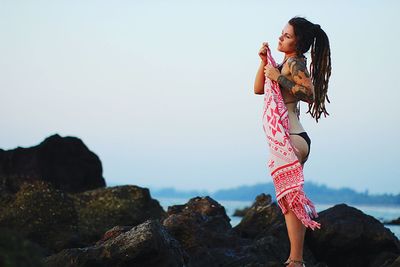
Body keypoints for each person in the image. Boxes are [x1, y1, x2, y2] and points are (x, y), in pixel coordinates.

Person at [253, 17, 331, 267]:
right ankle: (294, 258)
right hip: (293, 139)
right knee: (289, 202)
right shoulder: (284, 63)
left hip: (293, 138)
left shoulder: (296, 62)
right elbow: (257, 89)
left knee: (291, 200)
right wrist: (264, 63)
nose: (280, 38)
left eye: (286, 36)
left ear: (298, 42)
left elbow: (309, 93)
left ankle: (296, 260)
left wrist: (278, 77)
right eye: (281, 34)